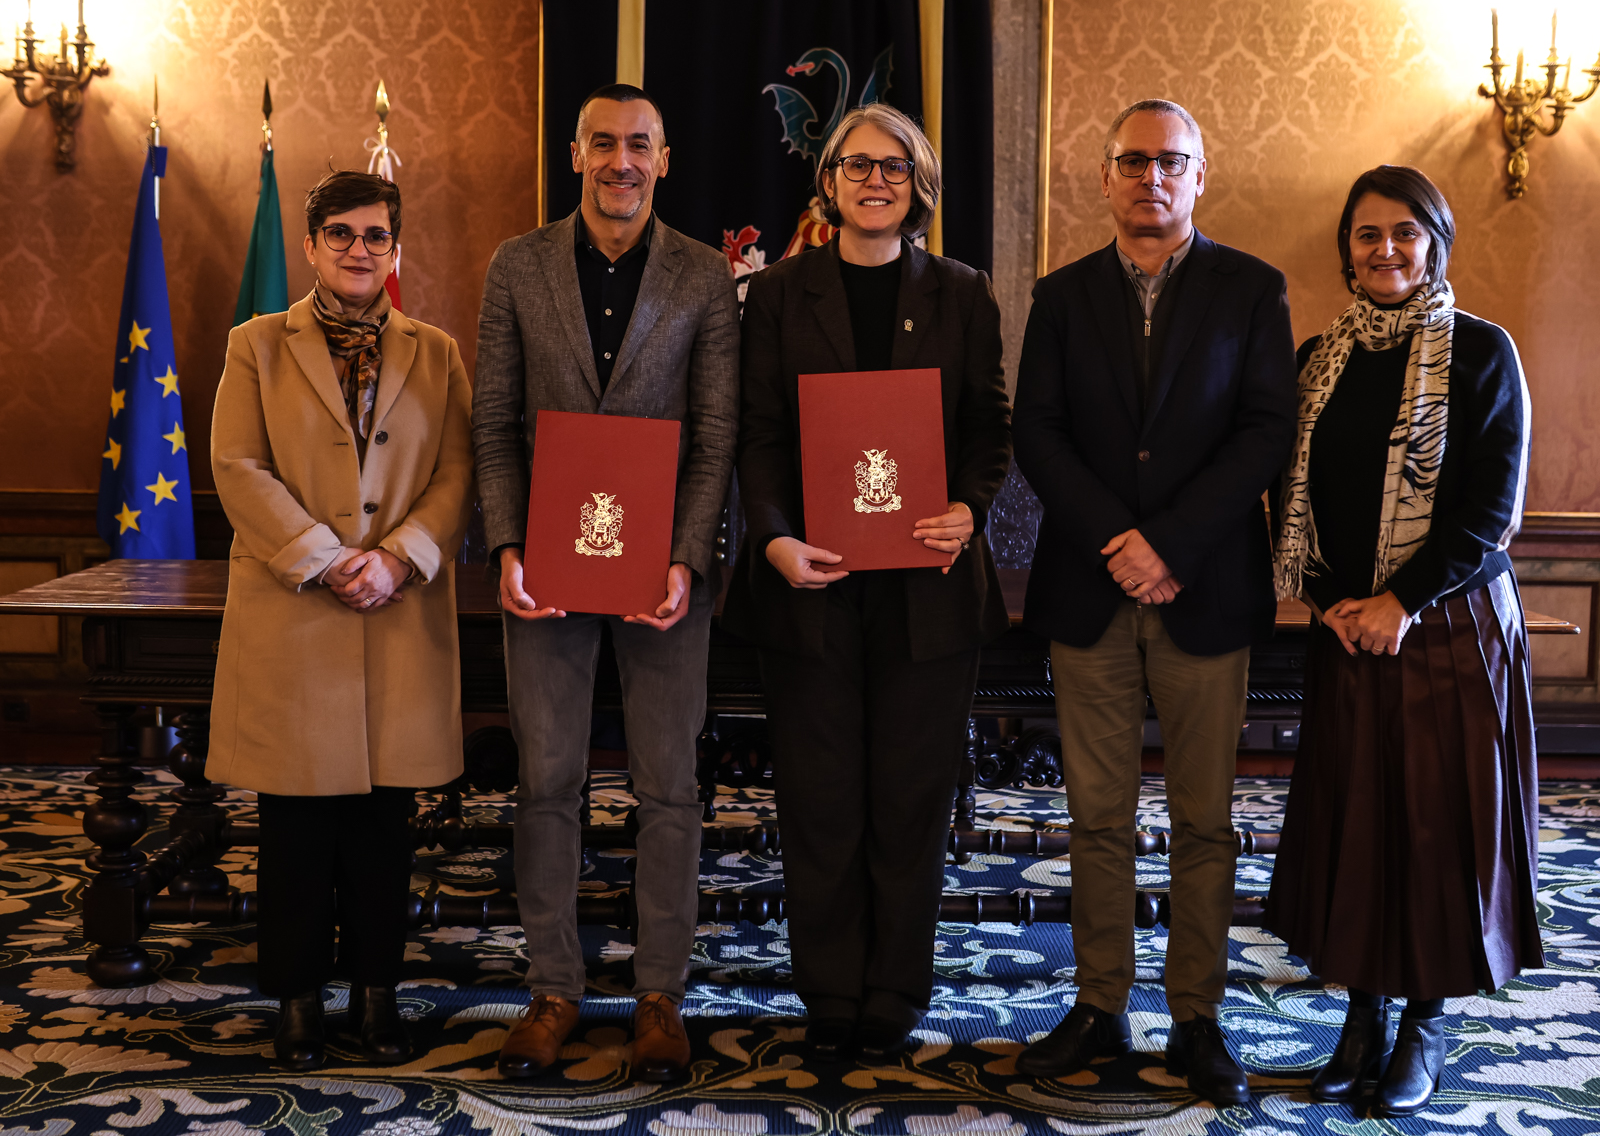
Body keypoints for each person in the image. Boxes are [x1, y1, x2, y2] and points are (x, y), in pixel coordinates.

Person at [1010, 99, 1297, 1104]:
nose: (1150, 177)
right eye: (1131, 160)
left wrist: (1168, 543)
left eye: (1169, 161)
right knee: (1096, 815)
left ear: (1198, 175)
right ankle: (1098, 1003)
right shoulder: (1059, 295)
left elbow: (1264, 431)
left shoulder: (1252, 290)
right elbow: (1036, 433)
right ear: (1103, 175)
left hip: (1204, 586)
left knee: (1203, 817)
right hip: (1089, 592)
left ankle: (1196, 1013)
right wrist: (1118, 543)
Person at [721, 102, 1012, 1061]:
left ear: (918, 182)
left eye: (894, 166)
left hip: (925, 587)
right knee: (821, 798)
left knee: (910, 798)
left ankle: (894, 988)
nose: (875, 180)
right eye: (857, 164)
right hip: (811, 583)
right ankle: (830, 991)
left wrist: (970, 508)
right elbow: (757, 436)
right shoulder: (776, 294)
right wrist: (771, 539)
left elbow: (988, 430)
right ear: (830, 180)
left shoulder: (964, 292)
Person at [472, 84, 739, 1082]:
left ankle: (659, 993)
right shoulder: (517, 264)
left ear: (663, 159)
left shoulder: (705, 275)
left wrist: (685, 558)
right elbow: (495, 424)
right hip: (545, 566)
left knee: (670, 786)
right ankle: (552, 988)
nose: (620, 160)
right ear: (573, 154)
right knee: (546, 782)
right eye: (603, 143)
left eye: (639, 144)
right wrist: (506, 546)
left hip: (663, 576)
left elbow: (714, 437)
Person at [1264, 165, 1540, 1117]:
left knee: (1434, 826)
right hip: (1346, 629)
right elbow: (1293, 497)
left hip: (1450, 625)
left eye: (1405, 233)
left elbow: (1490, 508)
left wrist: (1401, 600)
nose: (1386, 250)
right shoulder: (1318, 358)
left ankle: (1426, 1022)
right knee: (1358, 819)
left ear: (1437, 242)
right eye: (1367, 233)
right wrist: (1340, 600)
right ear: (1346, 245)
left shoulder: (1481, 351)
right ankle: (1363, 1016)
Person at [209, 170, 474, 1069]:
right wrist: (328, 558)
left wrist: (398, 555)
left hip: (400, 609)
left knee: (383, 828)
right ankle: (295, 1002)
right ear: (315, 243)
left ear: (397, 248)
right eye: (342, 234)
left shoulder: (436, 351)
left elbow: (458, 472)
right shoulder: (256, 344)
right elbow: (238, 464)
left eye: (377, 235)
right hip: (298, 613)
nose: (360, 249)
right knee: (294, 828)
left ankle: (377, 994)